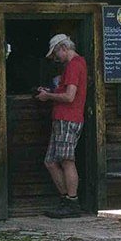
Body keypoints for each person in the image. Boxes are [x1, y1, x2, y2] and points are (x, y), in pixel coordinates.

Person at [35, 34, 89, 217]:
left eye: (56, 54)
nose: (56, 59)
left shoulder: (74, 65)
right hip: (63, 119)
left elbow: (69, 97)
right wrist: (51, 91)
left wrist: (48, 96)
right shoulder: (75, 64)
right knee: (50, 162)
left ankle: (72, 202)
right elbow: (66, 92)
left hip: (68, 119)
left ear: (63, 48)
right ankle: (66, 199)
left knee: (67, 161)